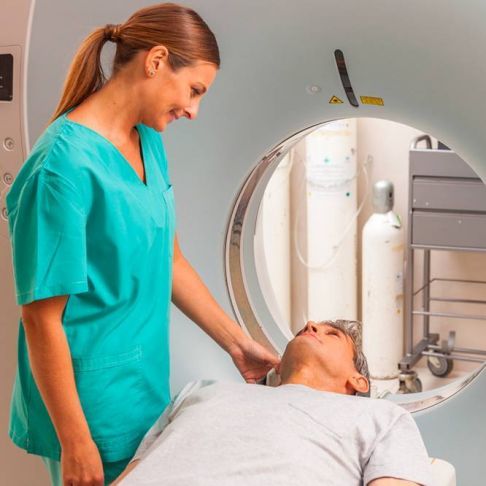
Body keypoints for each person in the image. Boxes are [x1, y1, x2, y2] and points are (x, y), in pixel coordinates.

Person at [6, 4, 279, 485]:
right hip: (87, 410)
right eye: (194, 90)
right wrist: (76, 442)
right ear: (156, 61)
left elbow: (169, 261)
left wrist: (238, 345)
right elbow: (40, 319)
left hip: (143, 393)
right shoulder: (61, 168)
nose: (193, 110)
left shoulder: (147, 141)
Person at [114, 320, 433, 486]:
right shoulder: (202, 390)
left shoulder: (381, 416)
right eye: (308, 327)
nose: (311, 325)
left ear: (358, 381)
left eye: (332, 334)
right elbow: (132, 472)